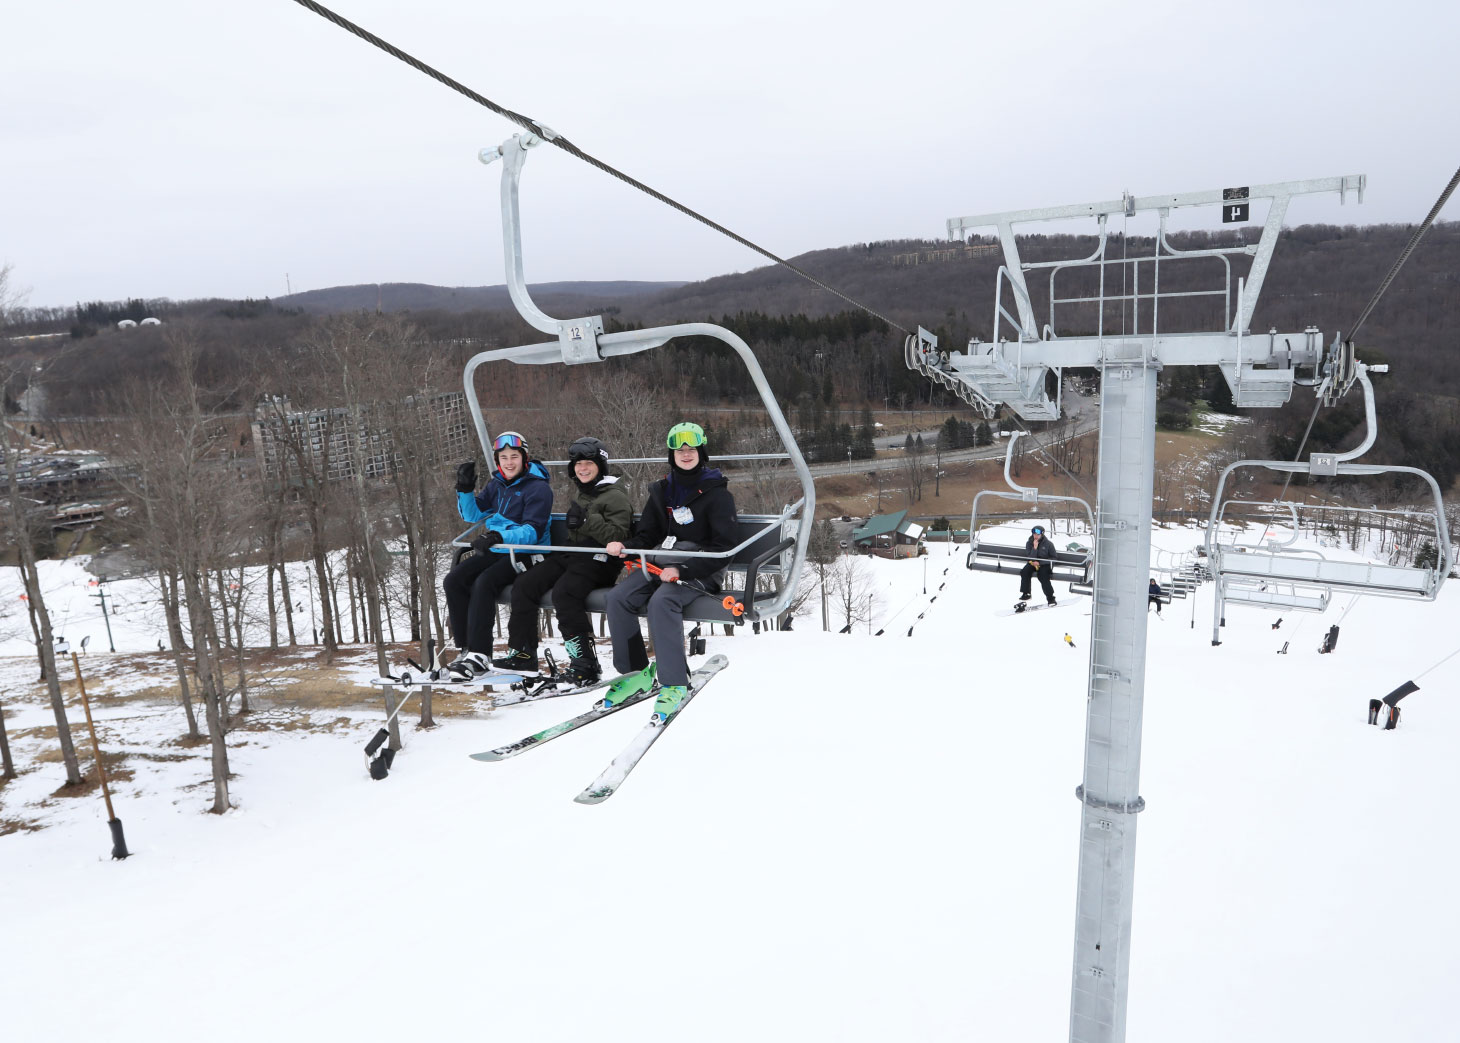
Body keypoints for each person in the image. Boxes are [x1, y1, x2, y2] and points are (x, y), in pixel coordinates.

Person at [602, 422, 738, 720]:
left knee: (663, 601)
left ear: (701, 453)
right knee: (619, 597)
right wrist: (626, 546)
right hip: (662, 564)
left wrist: (683, 568)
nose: (685, 454)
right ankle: (634, 673)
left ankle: (674, 682)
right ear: (671, 455)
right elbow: (648, 535)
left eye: (691, 449)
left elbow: (724, 547)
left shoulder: (718, 495)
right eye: (679, 450)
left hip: (702, 570)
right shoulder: (663, 492)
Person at [491, 436, 632, 684]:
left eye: (588, 463)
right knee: (525, 584)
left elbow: (618, 537)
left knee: (565, 593)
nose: (583, 468)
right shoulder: (585, 493)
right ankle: (523, 653)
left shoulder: (615, 495)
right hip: (573, 555)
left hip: (600, 561)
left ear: (601, 465)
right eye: (578, 464)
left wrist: (589, 521)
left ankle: (584, 663)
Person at [442, 431, 552, 677]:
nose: (509, 462)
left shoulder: (538, 489)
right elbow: (473, 515)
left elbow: (532, 532)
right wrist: (465, 489)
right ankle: (467, 648)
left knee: (484, 583)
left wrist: (499, 536)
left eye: (514, 456)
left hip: (528, 553)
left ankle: (480, 654)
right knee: (454, 580)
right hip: (500, 549)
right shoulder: (498, 484)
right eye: (503, 457)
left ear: (525, 459)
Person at [1019, 524, 1057, 605]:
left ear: (1042, 534)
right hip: (1032, 563)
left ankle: (1050, 598)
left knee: (1043, 576)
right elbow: (1029, 556)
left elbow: (1053, 558)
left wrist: (1040, 562)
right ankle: (1026, 593)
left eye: (1037, 534)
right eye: (1034, 534)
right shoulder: (1029, 543)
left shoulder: (1048, 544)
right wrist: (1035, 548)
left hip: (1044, 564)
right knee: (1025, 571)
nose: (1035, 536)